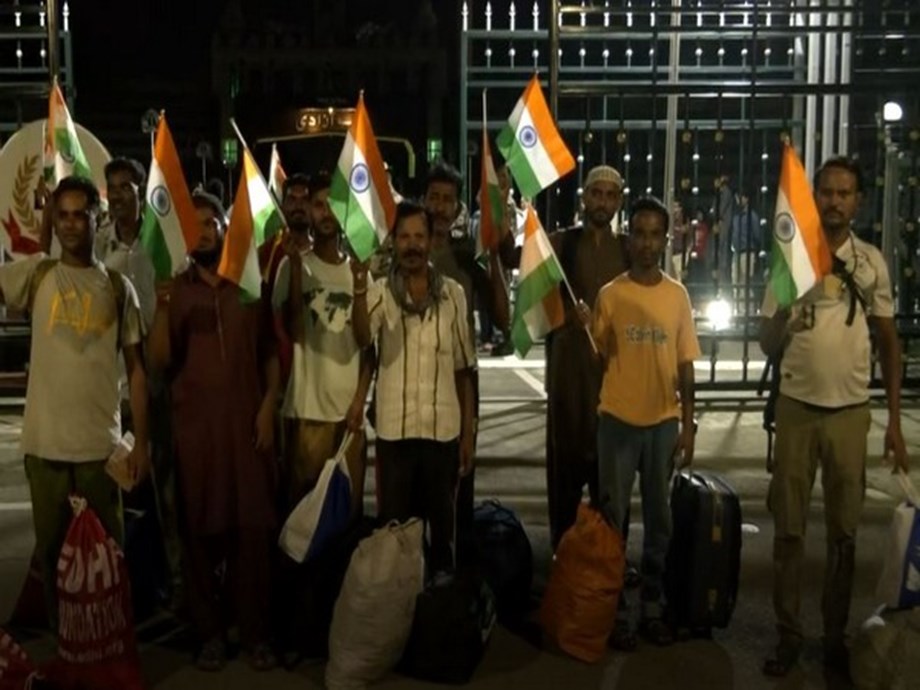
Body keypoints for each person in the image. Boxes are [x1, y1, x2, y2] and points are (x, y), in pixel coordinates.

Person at [759, 156, 909, 678]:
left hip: (850, 412)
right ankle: (787, 634)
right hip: (796, 408)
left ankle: (834, 636)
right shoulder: (790, 260)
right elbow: (765, 343)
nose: (835, 201)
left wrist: (892, 420)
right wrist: (784, 316)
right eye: (826, 192)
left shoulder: (871, 263)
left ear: (859, 201)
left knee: (844, 534)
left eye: (845, 193)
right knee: (789, 531)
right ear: (814, 196)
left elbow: (890, 345)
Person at [0, 176, 149, 629]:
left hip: (99, 452)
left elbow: (138, 371)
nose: (69, 224)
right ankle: (66, 650)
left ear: (94, 218)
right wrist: (38, 223)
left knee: (107, 561)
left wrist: (141, 444)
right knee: (53, 561)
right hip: (45, 448)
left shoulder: (120, 289)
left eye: (78, 215)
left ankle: (106, 649)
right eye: (60, 215)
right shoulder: (38, 274)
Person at [148, 191, 279, 672]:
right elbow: (158, 364)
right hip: (196, 435)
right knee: (200, 538)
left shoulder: (247, 285)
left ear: (226, 229)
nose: (204, 231)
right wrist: (162, 307)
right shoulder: (176, 289)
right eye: (196, 224)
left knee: (253, 537)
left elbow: (269, 351)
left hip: (248, 432)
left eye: (212, 222)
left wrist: (269, 405)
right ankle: (209, 635)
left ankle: (256, 634)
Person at [590, 196, 700, 650]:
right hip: (617, 420)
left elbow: (687, 364)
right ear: (628, 238)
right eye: (639, 233)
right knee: (613, 520)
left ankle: (651, 606)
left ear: (665, 239)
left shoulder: (678, 297)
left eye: (656, 234)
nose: (648, 243)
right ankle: (614, 609)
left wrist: (688, 424)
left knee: (660, 520)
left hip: (662, 424)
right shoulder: (610, 295)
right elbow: (598, 356)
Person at [499, 165, 630, 548]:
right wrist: (501, 202)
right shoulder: (561, 244)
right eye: (596, 194)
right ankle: (563, 566)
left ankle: (607, 575)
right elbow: (511, 257)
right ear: (584, 198)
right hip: (568, 389)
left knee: (611, 495)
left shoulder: (627, 250)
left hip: (614, 393)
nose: (602, 202)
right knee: (565, 488)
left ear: (619, 201)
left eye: (611, 195)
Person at [352, 200, 476, 573]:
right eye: (404, 236)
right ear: (393, 241)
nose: (412, 245)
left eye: (419, 236)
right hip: (396, 434)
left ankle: (437, 609)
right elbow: (361, 338)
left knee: (442, 535)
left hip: (442, 436)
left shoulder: (452, 294)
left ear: (430, 241)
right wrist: (359, 286)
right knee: (394, 533)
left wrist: (467, 434)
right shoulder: (380, 293)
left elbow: (463, 368)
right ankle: (397, 611)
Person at [272, 171, 372, 513]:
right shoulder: (291, 267)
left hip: (348, 417)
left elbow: (366, 345)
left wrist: (359, 400)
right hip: (306, 413)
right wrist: (298, 269)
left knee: (346, 514)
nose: (326, 213)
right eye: (318, 205)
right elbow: (295, 332)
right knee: (303, 517)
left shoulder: (360, 271)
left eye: (333, 205)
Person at [424, 160, 508, 565]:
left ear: (459, 207)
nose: (440, 207)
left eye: (448, 200)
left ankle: (453, 587)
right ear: (423, 201)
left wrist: (491, 256)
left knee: (458, 494)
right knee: (414, 502)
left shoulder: (467, 258)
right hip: (413, 391)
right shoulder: (402, 252)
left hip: (461, 390)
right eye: (434, 198)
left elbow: (504, 318)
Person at [730, 192, 763, 313]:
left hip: (747, 252)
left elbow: (757, 235)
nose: (738, 200)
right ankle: (739, 310)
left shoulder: (751, 216)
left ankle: (748, 311)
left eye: (740, 197)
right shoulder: (736, 217)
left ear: (746, 199)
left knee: (746, 282)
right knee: (736, 281)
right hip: (736, 252)